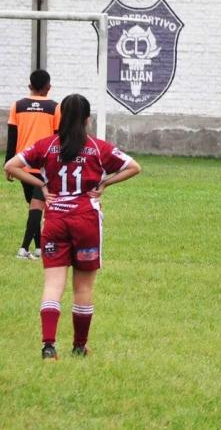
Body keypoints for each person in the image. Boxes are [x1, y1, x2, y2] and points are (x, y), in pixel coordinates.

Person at [4, 94, 141, 359]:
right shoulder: (97, 148)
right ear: (88, 119)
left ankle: (48, 346)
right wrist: (104, 184)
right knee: (83, 288)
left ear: (61, 118)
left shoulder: (47, 145)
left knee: (53, 285)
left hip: (55, 220)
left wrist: (41, 185)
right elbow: (134, 167)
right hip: (86, 221)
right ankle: (79, 346)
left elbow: (11, 165)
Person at [5, 69, 61, 260]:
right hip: (44, 165)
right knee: (37, 205)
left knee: (34, 205)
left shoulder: (17, 106)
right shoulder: (55, 108)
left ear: (30, 86)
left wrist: (8, 165)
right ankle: (23, 249)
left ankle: (38, 248)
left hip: (21, 165)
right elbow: (57, 138)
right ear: (49, 87)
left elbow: (12, 137)